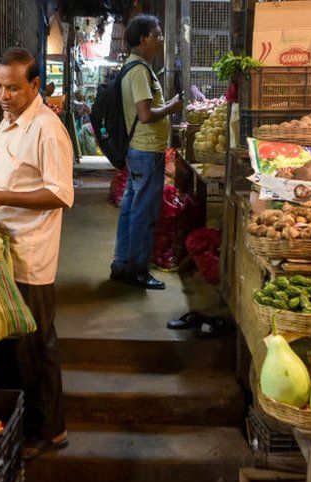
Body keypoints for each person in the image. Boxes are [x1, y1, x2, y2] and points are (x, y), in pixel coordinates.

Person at [0, 47, 74, 459]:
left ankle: (48, 430)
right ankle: (16, 426)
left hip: (30, 256)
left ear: (35, 85)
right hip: (3, 250)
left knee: (35, 348)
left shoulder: (47, 129)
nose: (3, 94)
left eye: (13, 87)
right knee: (9, 347)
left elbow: (60, 193)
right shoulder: (7, 123)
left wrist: (2, 198)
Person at [109, 14, 182, 290]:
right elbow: (145, 114)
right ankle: (137, 269)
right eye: (157, 34)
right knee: (143, 212)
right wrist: (172, 108)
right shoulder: (139, 70)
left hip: (139, 150)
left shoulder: (135, 67)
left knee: (130, 207)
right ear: (143, 39)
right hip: (146, 149)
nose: (160, 39)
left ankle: (121, 264)